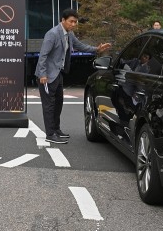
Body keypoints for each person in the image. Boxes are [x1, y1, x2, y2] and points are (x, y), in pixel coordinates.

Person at [35, 8, 111, 144]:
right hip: (46, 75)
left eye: (75, 22)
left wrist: (97, 49)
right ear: (63, 20)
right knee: (49, 105)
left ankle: (56, 130)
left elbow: (80, 46)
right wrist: (42, 74)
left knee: (58, 103)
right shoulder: (52, 34)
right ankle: (50, 134)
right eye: (71, 22)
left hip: (58, 74)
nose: (73, 24)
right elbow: (43, 55)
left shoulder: (69, 34)